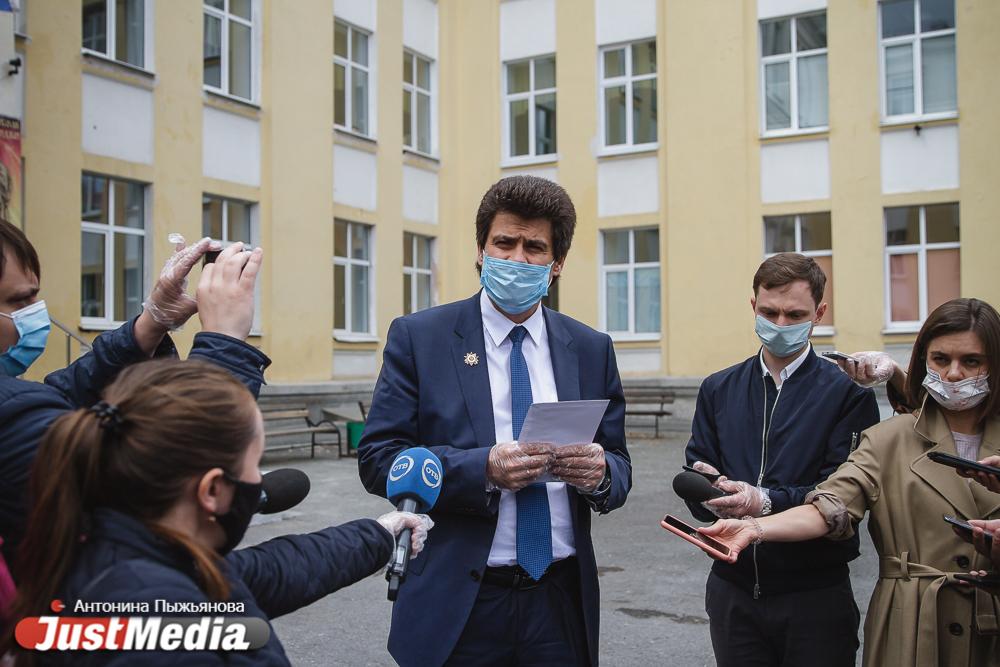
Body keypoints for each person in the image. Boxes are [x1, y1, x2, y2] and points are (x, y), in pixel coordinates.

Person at [358, 175, 631, 666]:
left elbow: (619, 462)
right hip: (461, 602)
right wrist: (481, 468)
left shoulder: (590, 349)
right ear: (481, 251)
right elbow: (380, 459)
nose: (517, 259)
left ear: (557, 264)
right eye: (504, 242)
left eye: (535, 247)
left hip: (559, 599)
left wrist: (602, 473)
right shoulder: (421, 339)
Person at [1, 359, 432, 665]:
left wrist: (379, 534)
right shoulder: (157, 619)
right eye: (253, 464)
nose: (260, 480)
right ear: (212, 490)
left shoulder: (139, 558)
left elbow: (268, 572)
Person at [700, 297, 1000, 667]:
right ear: (924, 360)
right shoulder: (892, 438)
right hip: (917, 624)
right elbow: (832, 504)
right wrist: (755, 528)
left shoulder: (840, 393)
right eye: (941, 360)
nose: (954, 374)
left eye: (971, 361)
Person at [0, 220, 269, 564]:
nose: (37, 313)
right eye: (20, 300)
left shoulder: (18, 404)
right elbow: (168, 495)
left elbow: (62, 395)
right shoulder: (14, 425)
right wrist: (225, 344)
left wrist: (151, 321)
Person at [684, 252, 881, 667]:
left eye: (795, 314)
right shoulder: (718, 388)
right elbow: (696, 470)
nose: (780, 325)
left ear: (819, 313)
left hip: (814, 597)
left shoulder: (848, 394)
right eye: (770, 312)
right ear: (753, 306)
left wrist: (762, 501)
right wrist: (711, 491)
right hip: (733, 590)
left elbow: (841, 498)